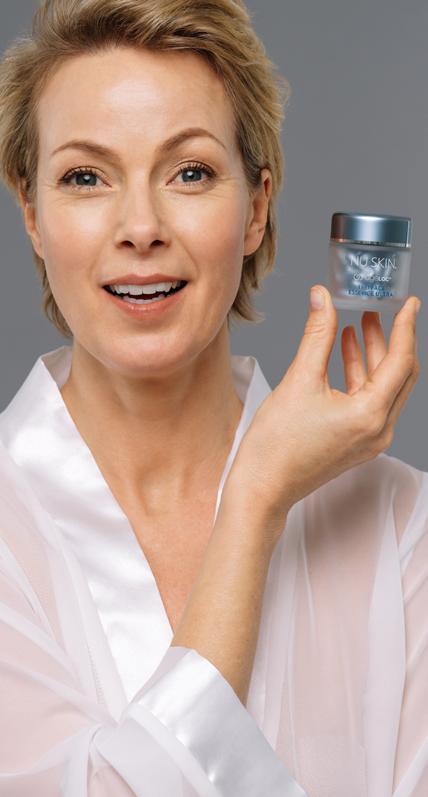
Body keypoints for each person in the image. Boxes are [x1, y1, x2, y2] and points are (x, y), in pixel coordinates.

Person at [0, 1, 426, 795]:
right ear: (31, 213)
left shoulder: (404, 529)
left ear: (257, 208)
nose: (141, 226)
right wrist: (254, 499)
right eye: (86, 176)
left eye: (189, 172)